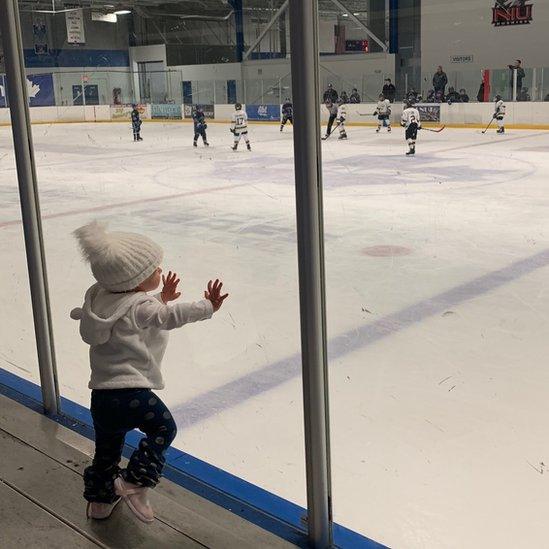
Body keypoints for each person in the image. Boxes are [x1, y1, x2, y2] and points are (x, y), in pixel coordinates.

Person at [71, 221, 228, 522]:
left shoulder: (100, 298)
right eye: (155, 269)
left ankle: (100, 503)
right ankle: (135, 482)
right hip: (131, 394)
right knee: (164, 428)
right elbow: (166, 317)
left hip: (101, 398)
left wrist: (160, 297)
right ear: (136, 278)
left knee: (107, 452)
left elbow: (131, 314)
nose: (160, 271)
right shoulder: (139, 305)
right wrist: (207, 306)